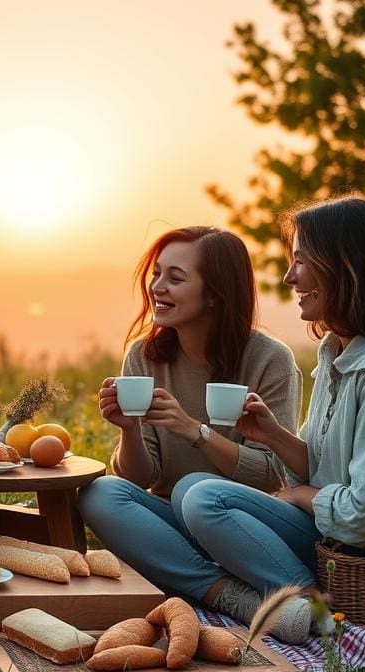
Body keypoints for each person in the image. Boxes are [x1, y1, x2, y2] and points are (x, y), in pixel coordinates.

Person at [179, 196, 365, 634]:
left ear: (346, 266)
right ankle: (302, 602)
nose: (289, 277)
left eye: (301, 261)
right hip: (347, 542)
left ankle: (316, 613)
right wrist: (273, 436)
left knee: (207, 500)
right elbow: (331, 471)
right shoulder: (342, 348)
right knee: (193, 487)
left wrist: (298, 497)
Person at [78, 226, 309, 642]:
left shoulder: (269, 360)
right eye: (157, 273)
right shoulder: (144, 355)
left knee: (195, 488)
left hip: (241, 524)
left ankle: (284, 589)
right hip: (175, 525)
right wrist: (130, 431)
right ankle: (229, 596)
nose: (157, 288)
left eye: (176, 278)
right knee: (99, 492)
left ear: (214, 294)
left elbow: (273, 477)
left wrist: (194, 430)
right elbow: (138, 479)